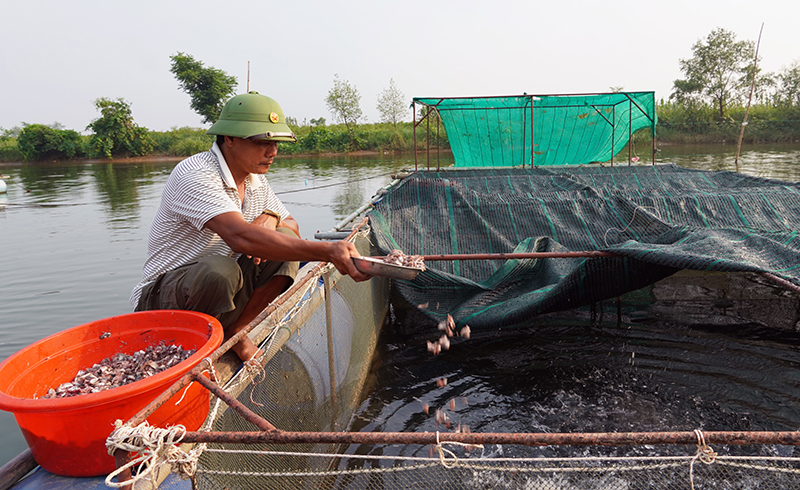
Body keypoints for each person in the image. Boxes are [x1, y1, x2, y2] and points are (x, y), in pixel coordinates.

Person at [130, 91, 369, 362]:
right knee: (221, 270)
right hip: (163, 302)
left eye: (277, 143)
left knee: (284, 240)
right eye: (261, 142)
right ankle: (192, 349)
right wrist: (327, 251)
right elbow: (238, 237)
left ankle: (237, 332)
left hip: (218, 294)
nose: (273, 152)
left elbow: (292, 225)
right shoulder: (195, 174)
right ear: (229, 138)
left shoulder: (255, 180)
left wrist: (271, 217)